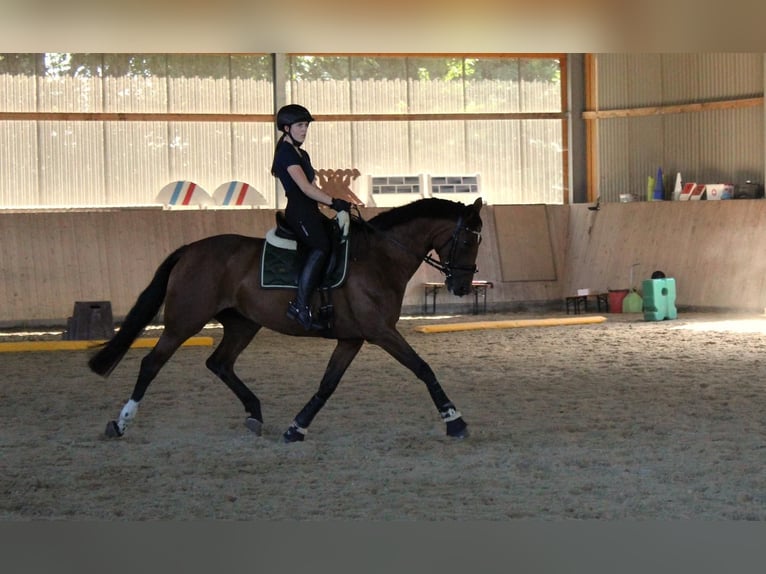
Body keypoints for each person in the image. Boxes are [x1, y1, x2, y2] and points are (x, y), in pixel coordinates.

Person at [270, 104, 351, 330]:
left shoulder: (302, 153)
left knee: (336, 238)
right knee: (321, 247)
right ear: (287, 128)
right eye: (300, 126)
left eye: (306, 126)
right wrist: (334, 202)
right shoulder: (285, 154)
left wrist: (333, 202)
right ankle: (300, 306)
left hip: (311, 210)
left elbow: (314, 186)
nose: (304, 130)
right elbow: (305, 188)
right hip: (299, 212)